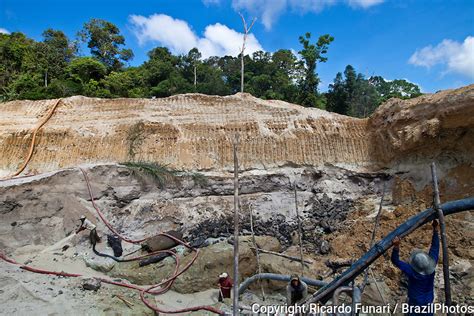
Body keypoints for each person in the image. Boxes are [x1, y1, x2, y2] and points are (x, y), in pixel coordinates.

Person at [391, 220, 439, 315]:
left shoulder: (412, 272)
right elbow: (435, 247)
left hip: (415, 303)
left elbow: (395, 261)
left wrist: (396, 247)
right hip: (428, 302)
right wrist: (435, 230)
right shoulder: (432, 266)